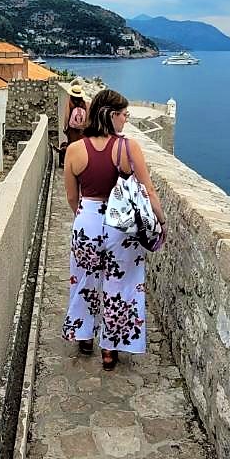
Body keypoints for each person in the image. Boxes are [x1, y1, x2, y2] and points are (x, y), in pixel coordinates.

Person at [62, 89, 165, 370]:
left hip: (87, 221)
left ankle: (84, 336)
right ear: (111, 115)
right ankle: (110, 349)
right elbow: (148, 190)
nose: (126, 119)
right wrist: (160, 221)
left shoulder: (74, 150)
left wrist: (86, 218)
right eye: (124, 114)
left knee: (84, 280)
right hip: (121, 227)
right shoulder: (128, 147)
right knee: (120, 285)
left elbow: (72, 197)